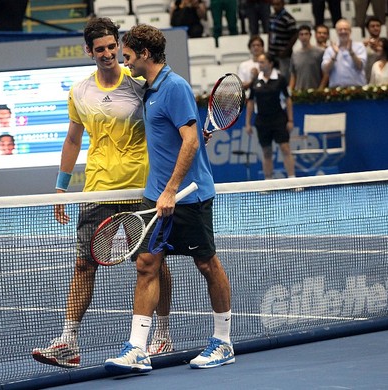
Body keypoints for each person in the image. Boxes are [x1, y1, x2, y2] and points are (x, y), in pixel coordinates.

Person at [31, 17, 175, 369]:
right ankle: (69, 342)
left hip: (140, 187)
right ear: (89, 52)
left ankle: (163, 335)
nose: (108, 53)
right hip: (97, 187)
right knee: (83, 264)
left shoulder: (140, 83)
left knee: (152, 264)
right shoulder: (80, 91)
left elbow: (166, 121)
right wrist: (60, 189)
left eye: (112, 47)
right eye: (101, 49)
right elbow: (72, 139)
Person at [104, 23, 234, 374]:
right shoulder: (150, 89)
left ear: (145, 54)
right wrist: (161, 191)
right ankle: (137, 348)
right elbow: (183, 138)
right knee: (148, 265)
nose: (124, 61)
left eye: (127, 55)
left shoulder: (174, 87)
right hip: (156, 194)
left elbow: (190, 141)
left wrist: (172, 190)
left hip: (187, 197)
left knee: (207, 264)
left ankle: (223, 341)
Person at [245, 53, 296, 181]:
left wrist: (290, 120)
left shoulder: (280, 79)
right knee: (266, 152)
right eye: (259, 62)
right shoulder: (255, 81)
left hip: (279, 118)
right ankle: (268, 181)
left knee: (285, 148)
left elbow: (288, 100)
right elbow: (250, 102)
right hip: (262, 121)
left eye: (262, 62)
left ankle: (293, 180)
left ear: (270, 63)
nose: (260, 65)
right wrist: (248, 123)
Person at [321, 19, 367, 88]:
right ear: (336, 32)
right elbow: (325, 69)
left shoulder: (359, 46)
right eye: (340, 29)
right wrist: (335, 54)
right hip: (336, 90)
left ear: (350, 31)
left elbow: (360, 66)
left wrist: (351, 52)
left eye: (346, 29)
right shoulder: (330, 49)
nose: (343, 31)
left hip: (357, 89)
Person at [267, 0, 297, 81]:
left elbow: (294, 36)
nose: (275, 6)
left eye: (278, 4)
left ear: (283, 4)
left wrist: (286, 51)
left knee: (284, 77)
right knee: (272, 77)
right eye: (273, 4)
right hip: (272, 53)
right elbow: (270, 33)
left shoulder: (289, 19)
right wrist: (269, 48)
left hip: (284, 55)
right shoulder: (271, 17)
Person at [289, 25, 324, 90]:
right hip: (299, 93)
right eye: (301, 34)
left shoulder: (320, 52)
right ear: (298, 37)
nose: (304, 37)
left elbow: (325, 74)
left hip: (316, 92)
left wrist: (321, 89)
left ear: (310, 35)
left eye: (306, 34)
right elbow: (293, 75)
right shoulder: (295, 54)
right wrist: (290, 91)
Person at [363, 16, 383, 83]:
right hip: (367, 80)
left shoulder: (386, 45)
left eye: (378, 26)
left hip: (384, 79)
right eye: (372, 26)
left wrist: (377, 48)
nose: (376, 28)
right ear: (368, 29)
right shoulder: (363, 45)